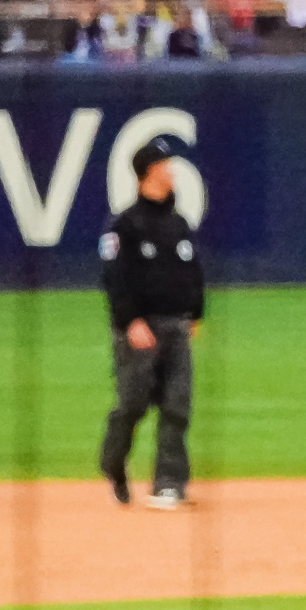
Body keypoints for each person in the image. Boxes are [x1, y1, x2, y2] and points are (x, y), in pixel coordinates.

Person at [98, 134, 202, 509]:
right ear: (148, 172)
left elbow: (192, 271)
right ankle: (113, 460)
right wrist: (130, 321)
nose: (171, 172)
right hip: (141, 330)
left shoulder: (178, 223)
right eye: (165, 166)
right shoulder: (123, 226)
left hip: (177, 327)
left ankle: (169, 484)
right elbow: (115, 278)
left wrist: (196, 313)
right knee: (133, 404)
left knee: (177, 405)